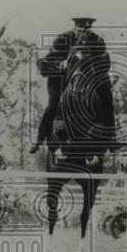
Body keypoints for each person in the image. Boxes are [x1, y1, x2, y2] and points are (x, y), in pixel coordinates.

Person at [31, 16, 119, 153]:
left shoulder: (97, 40)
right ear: (75, 27)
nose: (84, 33)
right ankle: (40, 137)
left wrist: (96, 69)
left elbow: (105, 63)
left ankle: (111, 137)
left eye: (88, 30)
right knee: (53, 103)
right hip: (63, 75)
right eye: (81, 29)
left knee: (107, 96)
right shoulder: (63, 38)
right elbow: (49, 60)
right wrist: (62, 65)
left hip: (90, 75)